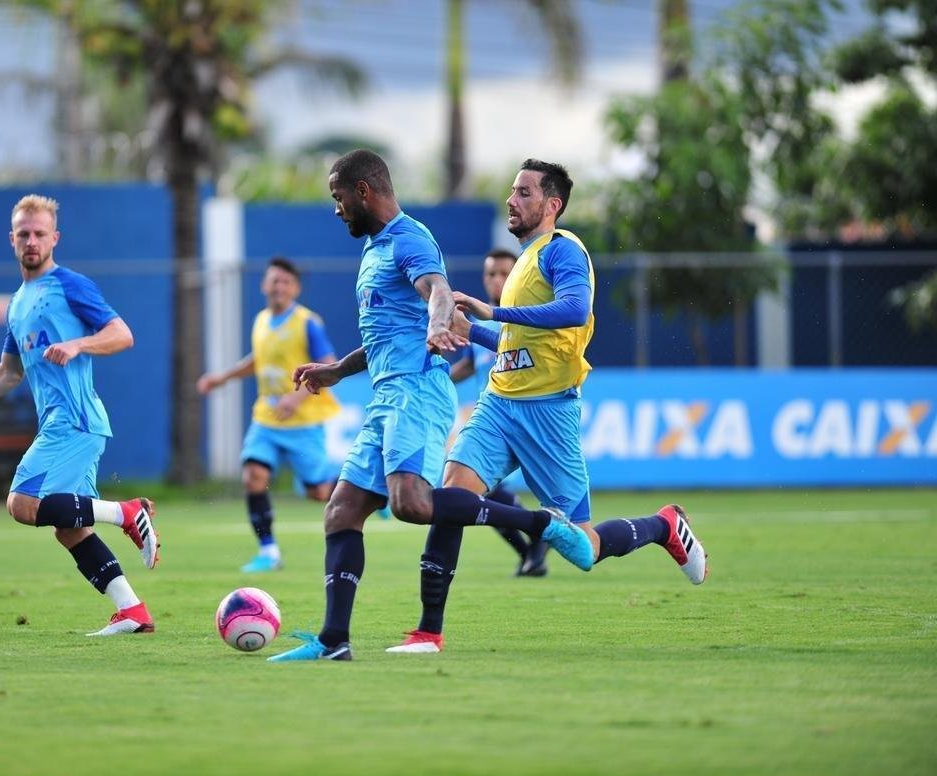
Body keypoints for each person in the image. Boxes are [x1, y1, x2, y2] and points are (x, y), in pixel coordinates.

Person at [266, 150, 593, 663]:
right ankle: (334, 642)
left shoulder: (410, 238)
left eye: (339, 197)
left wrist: (440, 323)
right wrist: (335, 371)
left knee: (411, 504)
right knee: (342, 511)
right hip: (385, 392)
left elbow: (438, 289)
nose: (337, 209)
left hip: (417, 390)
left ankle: (536, 525)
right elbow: (386, 335)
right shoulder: (374, 248)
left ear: (365, 192)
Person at [388, 159, 708, 654]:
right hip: (499, 404)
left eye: (524, 193)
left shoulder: (563, 250)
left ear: (551, 204)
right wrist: (471, 331)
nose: (512, 201)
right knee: (451, 498)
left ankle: (664, 525)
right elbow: (518, 345)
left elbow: (574, 310)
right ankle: (428, 631)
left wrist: (492, 310)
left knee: (582, 549)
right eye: (512, 192)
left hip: (549, 413)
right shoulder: (524, 262)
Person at [0, 194, 161, 637]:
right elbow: (9, 374)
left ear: (55, 238)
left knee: (22, 503)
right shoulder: (17, 303)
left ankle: (128, 512)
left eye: (39, 233)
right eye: (23, 234)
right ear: (11, 239)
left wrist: (78, 344)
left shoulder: (70, 286)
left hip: (74, 420)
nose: (31, 241)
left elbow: (122, 334)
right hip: (66, 424)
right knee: (70, 529)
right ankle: (132, 611)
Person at [196, 257, 341, 573]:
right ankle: (268, 551)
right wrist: (221, 378)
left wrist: (296, 397)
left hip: (304, 421)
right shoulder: (261, 320)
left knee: (318, 492)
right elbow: (256, 361)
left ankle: (369, 494)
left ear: (295, 288)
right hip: (267, 418)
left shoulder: (307, 323)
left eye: (286, 282)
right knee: (254, 476)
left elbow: (330, 368)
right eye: (274, 281)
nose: (279, 287)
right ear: (264, 285)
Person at [449, 248, 549, 577]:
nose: (497, 280)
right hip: (492, 418)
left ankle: (537, 537)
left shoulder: (527, 316)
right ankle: (531, 549)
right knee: (473, 492)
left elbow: (524, 351)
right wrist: (435, 378)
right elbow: (469, 364)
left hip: (529, 416)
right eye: (490, 273)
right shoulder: (479, 318)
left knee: (479, 493)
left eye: (504, 273)